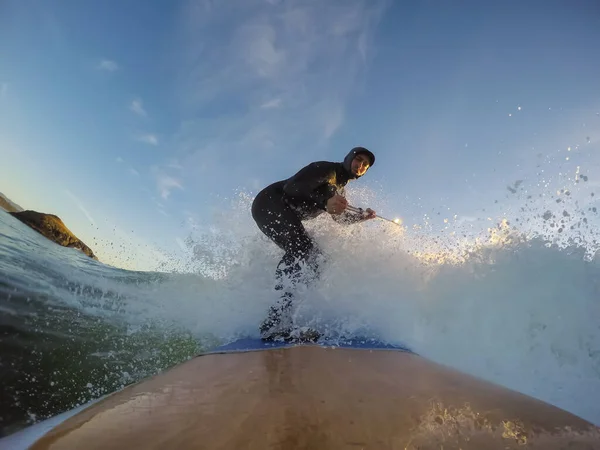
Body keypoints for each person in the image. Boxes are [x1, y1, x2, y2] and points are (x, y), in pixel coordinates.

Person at [251, 147, 377, 339]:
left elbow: (340, 220)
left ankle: (284, 318)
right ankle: (274, 324)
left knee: (317, 259)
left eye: (365, 165)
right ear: (348, 158)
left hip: (281, 210)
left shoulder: (339, 189)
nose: (360, 165)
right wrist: (324, 201)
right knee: (302, 250)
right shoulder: (326, 170)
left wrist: (362, 218)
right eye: (358, 160)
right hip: (269, 203)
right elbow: (292, 188)